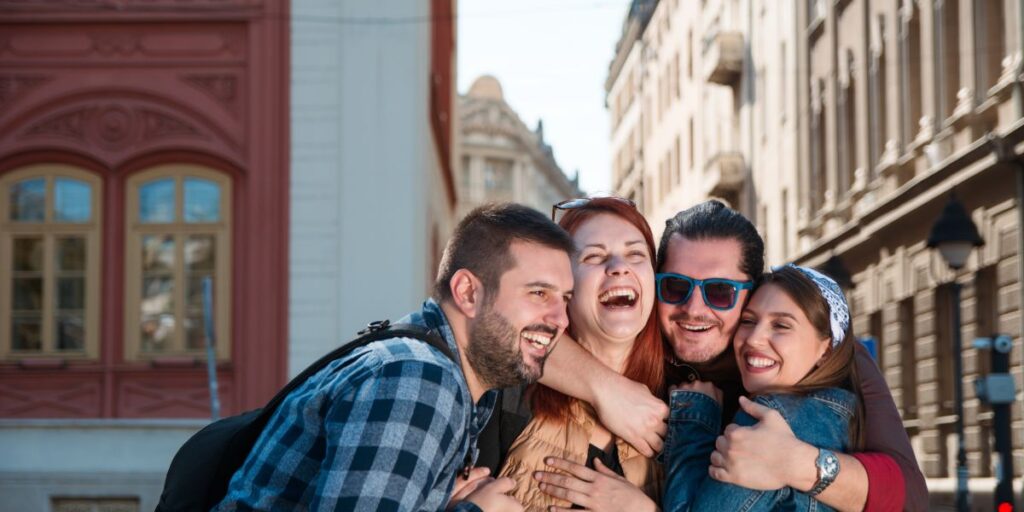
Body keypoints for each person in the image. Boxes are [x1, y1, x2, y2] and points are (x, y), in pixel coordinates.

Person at [536, 200, 926, 511]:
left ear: (754, 291)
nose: (694, 308)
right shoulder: (640, 332)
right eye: (674, 287)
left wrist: (796, 463)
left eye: (720, 291)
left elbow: (910, 497)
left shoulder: (826, 357)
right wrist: (606, 389)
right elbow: (512, 336)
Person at [213, 203, 575, 511]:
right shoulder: (419, 379)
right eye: (539, 293)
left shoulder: (451, 377)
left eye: (566, 299)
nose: (560, 320)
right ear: (468, 293)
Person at [497, 197, 665, 511]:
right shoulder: (509, 390)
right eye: (593, 256)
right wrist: (605, 388)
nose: (618, 268)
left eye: (635, 254)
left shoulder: (687, 405)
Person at [663, 264, 864, 511]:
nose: (754, 338)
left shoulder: (768, 418)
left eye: (781, 325)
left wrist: (694, 418)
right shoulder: (840, 413)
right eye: (748, 321)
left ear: (826, 350)